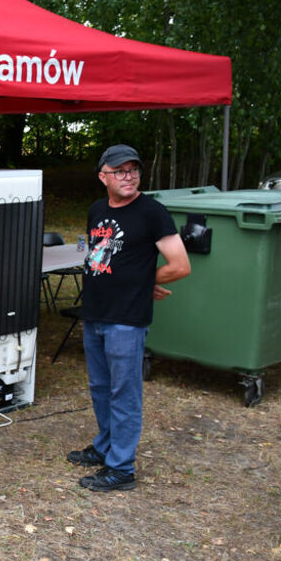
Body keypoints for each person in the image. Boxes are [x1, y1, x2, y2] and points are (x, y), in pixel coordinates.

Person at [67, 144, 190, 492]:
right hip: (94, 313)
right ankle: (106, 446)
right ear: (103, 176)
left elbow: (180, 265)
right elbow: (101, 257)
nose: (129, 176)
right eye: (120, 170)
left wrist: (143, 282)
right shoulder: (96, 210)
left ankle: (121, 468)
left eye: (133, 169)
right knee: (100, 388)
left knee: (124, 393)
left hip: (126, 318)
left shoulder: (152, 212)